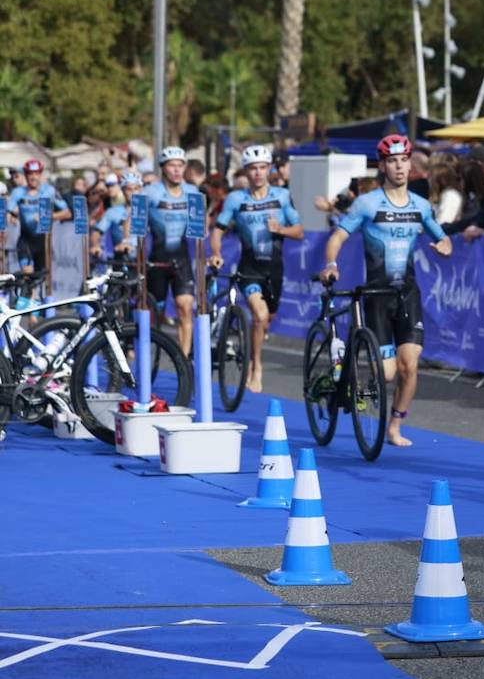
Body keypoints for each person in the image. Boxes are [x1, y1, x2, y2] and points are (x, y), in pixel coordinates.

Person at [319, 134, 453, 447]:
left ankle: (394, 426)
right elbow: (338, 236)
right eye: (392, 161)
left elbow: (442, 236)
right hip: (377, 296)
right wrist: (331, 263)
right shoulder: (366, 204)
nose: (399, 166)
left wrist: (444, 245)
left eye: (404, 160)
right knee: (388, 373)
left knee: (411, 365)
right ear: (382, 166)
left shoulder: (420, 206)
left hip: (407, 293)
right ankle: (365, 379)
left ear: (410, 164)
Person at [208, 145, 306, 393]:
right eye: (253, 169)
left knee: (267, 319)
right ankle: (256, 366)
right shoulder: (236, 199)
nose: (258, 173)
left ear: (269, 169)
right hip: (248, 268)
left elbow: (299, 231)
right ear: (246, 171)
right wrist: (217, 253)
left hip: (274, 269)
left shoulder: (282, 196)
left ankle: (254, 351)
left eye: (263, 168)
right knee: (259, 315)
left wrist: (280, 230)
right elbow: (218, 230)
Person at [141, 147, 198, 354]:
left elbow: (201, 224)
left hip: (181, 260)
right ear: (163, 168)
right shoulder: (150, 193)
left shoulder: (193, 192)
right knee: (154, 314)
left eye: (180, 165)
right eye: (172, 165)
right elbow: (134, 221)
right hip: (157, 261)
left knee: (185, 307)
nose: (177, 170)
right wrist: (130, 241)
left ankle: (183, 360)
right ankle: (146, 357)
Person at [3, 159, 70, 275]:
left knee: (42, 278)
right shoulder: (18, 192)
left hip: (44, 241)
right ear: (25, 175)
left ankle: (36, 292)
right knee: (27, 274)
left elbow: (67, 213)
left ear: (40, 174)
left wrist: (49, 216)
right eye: (30, 174)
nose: (33, 177)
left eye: (36, 174)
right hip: (26, 240)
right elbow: (8, 213)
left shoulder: (49, 191)